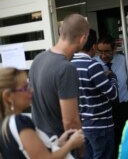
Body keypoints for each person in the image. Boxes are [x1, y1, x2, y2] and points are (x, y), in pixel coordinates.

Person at [29, 14, 89, 157]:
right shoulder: (66, 68)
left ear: (61, 32)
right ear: (82, 38)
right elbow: (71, 121)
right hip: (62, 148)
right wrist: (80, 152)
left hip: (42, 144)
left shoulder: (38, 59)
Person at [0, 68, 84, 159]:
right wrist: (71, 144)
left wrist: (58, 144)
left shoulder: (5, 123)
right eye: (25, 88)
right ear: (8, 96)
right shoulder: (20, 122)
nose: (31, 90)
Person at [71, 29, 118, 159]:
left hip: (83, 124)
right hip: (101, 126)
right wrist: (112, 77)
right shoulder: (92, 66)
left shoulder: (69, 65)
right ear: (93, 46)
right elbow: (113, 94)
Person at [94, 35, 128, 157]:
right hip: (105, 110)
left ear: (114, 50)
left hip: (123, 108)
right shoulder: (93, 64)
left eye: (107, 52)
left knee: (125, 142)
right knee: (108, 146)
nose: (104, 55)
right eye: (100, 52)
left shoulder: (123, 60)